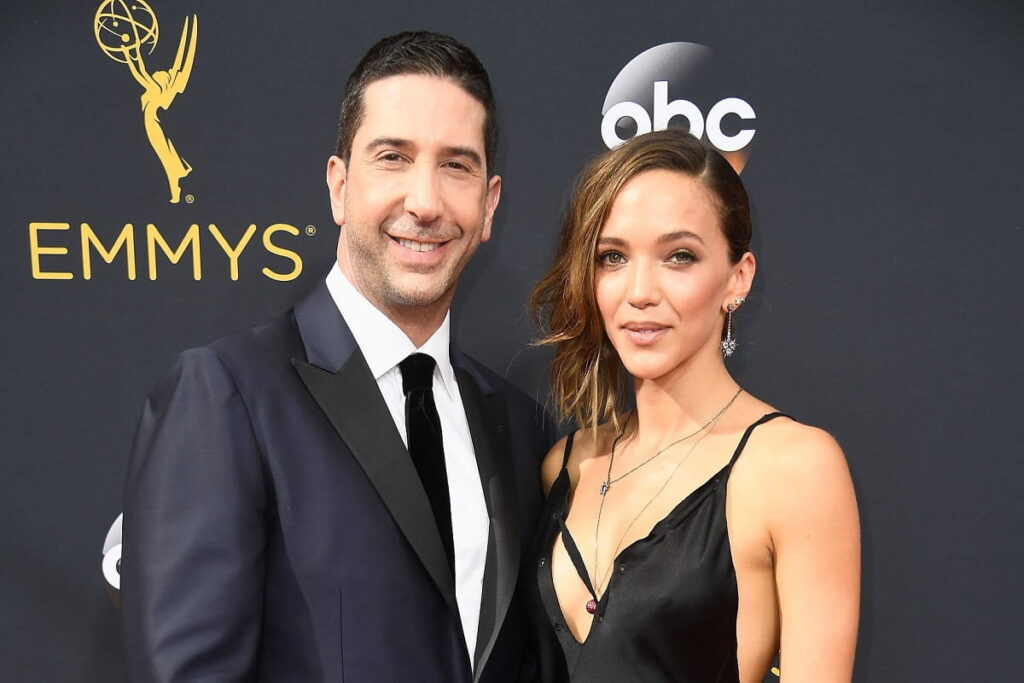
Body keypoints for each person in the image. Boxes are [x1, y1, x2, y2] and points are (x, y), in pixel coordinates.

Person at [121, 31, 554, 682]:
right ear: (338, 186)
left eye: (455, 165)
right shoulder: (229, 394)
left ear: (489, 205)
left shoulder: (521, 426)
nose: (426, 201)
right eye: (393, 157)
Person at [527, 129, 860, 682]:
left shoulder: (794, 468)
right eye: (612, 257)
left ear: (738, 277)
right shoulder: (566, 463)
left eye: (678, 257)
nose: (640, 291)